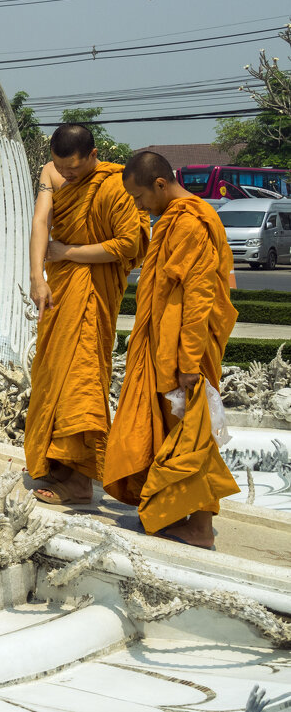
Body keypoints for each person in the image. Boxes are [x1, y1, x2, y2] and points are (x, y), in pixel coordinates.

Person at [104, 151, 239, 549]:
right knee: (176, 431)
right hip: (167, 345)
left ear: (160, 184)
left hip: (182, 351)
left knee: (190, 434)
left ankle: (199, 528)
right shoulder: (176, 218)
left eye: (139, 197)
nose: (138, 206)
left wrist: (188, 361)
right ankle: (175, 510)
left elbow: (198, 296)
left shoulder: (190, 222)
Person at [25, 124, 150, 505]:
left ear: (94, 156)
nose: (68, 176)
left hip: (92, 292)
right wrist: (37, 277)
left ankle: (80, 481)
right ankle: (62, 459)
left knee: (82, 378)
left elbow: (127, 246)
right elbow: (41, 222)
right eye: (63, 169)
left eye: (75, 171)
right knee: (53, 373)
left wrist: (66, 253)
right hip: (62, 289)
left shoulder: (115, 184)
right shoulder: (52, 172)